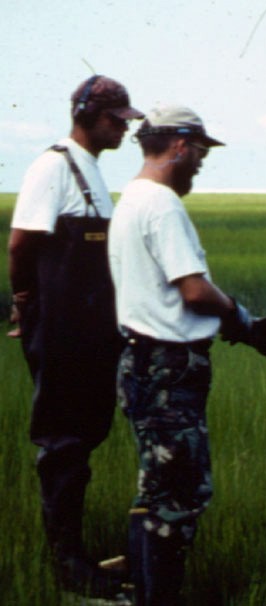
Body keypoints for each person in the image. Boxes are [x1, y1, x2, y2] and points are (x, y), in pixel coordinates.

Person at [107, 104, 266, 605]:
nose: (200, 161)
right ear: (178, 145)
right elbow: (194, 291)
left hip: (141, 364)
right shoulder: (163, 205)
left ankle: (139, 594)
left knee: (156, 490)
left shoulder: (131, 199)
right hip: (168, 370)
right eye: (199, 150)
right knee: (178, 498)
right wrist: (243, 319)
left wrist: (244, 328)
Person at [7, 75, 143, 598]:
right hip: (62, 332)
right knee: (63, 445)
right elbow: (21, 245)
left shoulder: (90, 171)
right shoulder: (53, 165)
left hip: (89, 334)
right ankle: (68, 566)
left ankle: (77, 557)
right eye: (116, 120)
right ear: (87, 114)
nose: (124, 130)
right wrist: (26, 307)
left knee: (82, 439)